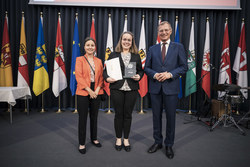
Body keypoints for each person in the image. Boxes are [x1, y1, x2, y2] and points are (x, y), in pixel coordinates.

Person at [144, 21, 188, 159]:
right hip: (155, 88)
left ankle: (169, 144)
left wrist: (170, 74)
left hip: (171, 87)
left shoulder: (178, 47)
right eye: (161, 30)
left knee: (170, 117)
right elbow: (146, 68)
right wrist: (155, 75)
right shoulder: (152, 49)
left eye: (166, 30)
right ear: (158, 32)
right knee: (156, 117)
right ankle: (158, 142)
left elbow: (184, 67)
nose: (163, 32)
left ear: (170, 31)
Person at [103, 31, 144, 152]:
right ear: (121, 41)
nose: (126, 42)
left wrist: (139, 76)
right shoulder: (113, 54)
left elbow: (140, 70)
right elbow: (105, 71)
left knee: (128, 114)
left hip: (131, 88)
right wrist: (107, 78)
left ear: (132, 42)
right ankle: (118, 138)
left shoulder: (136, 55)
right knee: (118, 114)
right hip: (117, 87)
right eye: (124, 39)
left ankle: (126, 138)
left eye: (129, 40)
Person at [75, 37, 104, 154]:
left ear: (95, 47)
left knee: (94, 116)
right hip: (83, 91)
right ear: (84, 47)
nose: (90, 47)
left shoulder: (99, 61)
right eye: (88, 45)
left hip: (96, 90)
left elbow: (102, 77)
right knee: (82, 118)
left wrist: (96, 90)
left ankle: (94, 138)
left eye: (92, 45)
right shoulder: (79, 59)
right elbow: (79, 76)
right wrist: (89, 90)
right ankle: (82, 143)